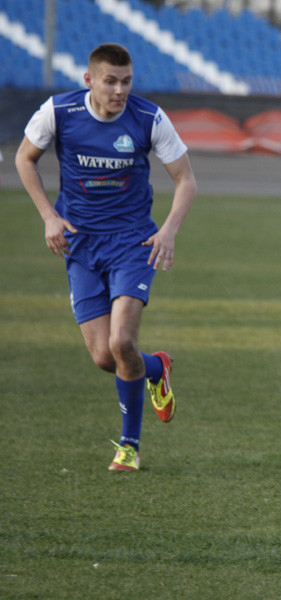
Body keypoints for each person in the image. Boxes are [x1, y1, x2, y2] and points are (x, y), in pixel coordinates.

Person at [15, 43, 197, 472]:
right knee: (104, 357)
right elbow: (25, 158)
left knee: (121, 343)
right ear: (89, 80)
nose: (119, 90)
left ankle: (129, 447)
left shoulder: (149, 118)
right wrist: (49, 216)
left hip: (133, 243)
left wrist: (168, 231)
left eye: (126, 81)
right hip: (80, 244)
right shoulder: (58, 112)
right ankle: (156, 368)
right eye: (110, 81)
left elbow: (186, 180)